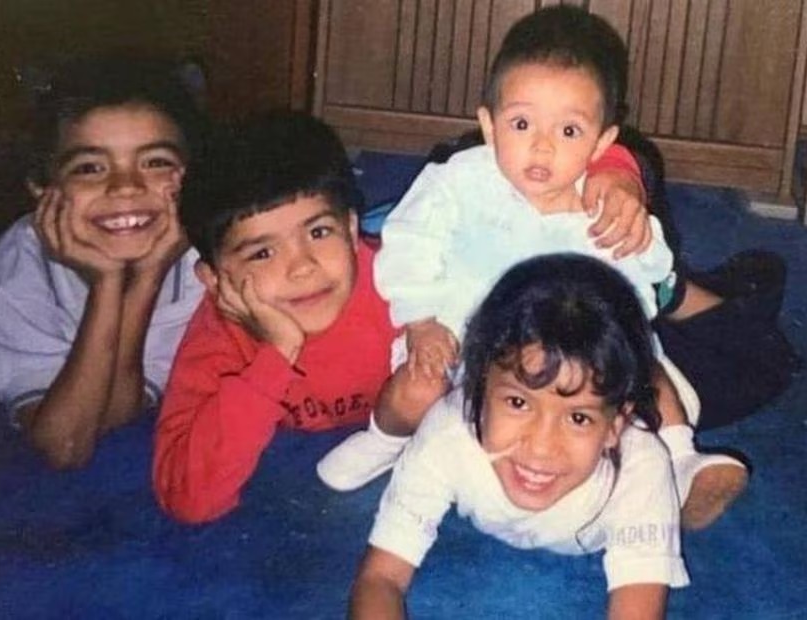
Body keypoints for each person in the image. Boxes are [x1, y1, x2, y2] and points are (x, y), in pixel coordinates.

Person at [318, 5, 746, 532]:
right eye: (521, 124)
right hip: (460, 340)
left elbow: (643, 280)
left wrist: (640, 237)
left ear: (602, 143)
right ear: (488, 126)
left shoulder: (601, 205)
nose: (542, 146)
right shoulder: (459, 182)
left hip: (569, 361)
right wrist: (420, 319)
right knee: (417, 387)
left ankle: (679, 458)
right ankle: (385, 439)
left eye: (569, 130)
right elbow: (409, 241)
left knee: (644, 372)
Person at [152, 110, 650, 524]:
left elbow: (536, 158)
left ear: (349, 230)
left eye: (319, 232)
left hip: (428, 237)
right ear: (214, 280)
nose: (302, 267)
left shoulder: (411, 281)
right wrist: (275, 355)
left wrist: (619, 171)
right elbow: (189, 498)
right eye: (262, 253)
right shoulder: (221, 335)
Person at [350, 253, 689, 620]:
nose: (541, 448)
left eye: (578, 418)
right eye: (518, 402)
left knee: (683, 377)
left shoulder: (640, 470)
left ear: (614, 427)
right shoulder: (447, 435)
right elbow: (380, 577)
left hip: (657, 399)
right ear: (479, 389)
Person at [0, 56, 206, 469]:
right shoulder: (19, 265)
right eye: (89, 168)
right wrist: (108, 283)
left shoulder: (201, 260)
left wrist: (149, 277)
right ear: (42, 188)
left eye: (156, 162)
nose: (125, 187)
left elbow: (119, 415)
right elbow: (66, 445)